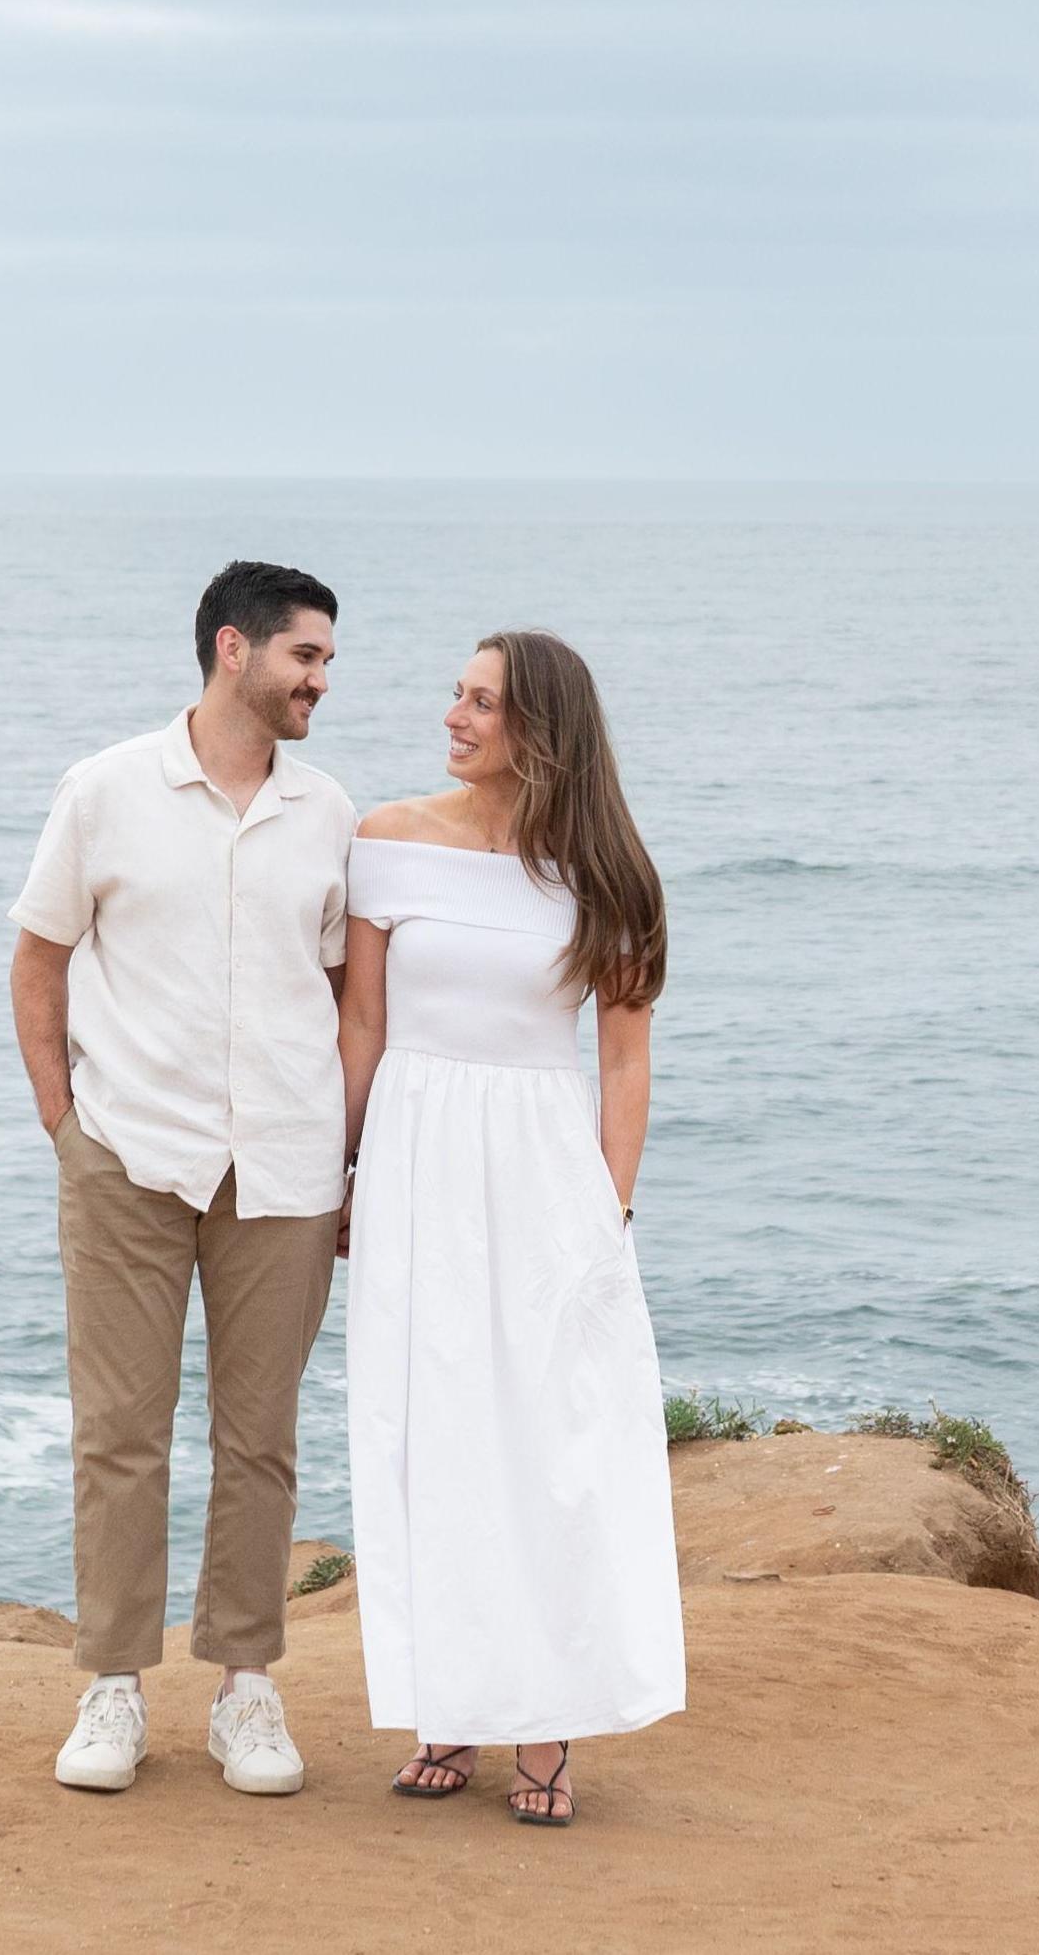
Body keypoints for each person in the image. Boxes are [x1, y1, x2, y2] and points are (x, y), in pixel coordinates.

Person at [6, 560, 355, 1799]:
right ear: (232, 649)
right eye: (306, 654)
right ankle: (112, 1683)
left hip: (286, 1166)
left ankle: (245, 1687)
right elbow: (38, 959)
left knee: (261, 1440)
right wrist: (65, 1126)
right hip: (128, 1154)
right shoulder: (103, 789)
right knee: (120, 1432)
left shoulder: (328, 810)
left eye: (326, 659)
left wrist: (349, 1153)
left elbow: (341, 992)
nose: (322, 679)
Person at [340, 627, 685, 1824]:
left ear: (541, 725)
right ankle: (449, 1705)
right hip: (415, 1162)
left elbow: (625, 1063)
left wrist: (609, 1211)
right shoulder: (387, 839)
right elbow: (362, 1028)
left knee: (549, 1441)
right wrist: (342, 1171)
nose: (455, 714)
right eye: (457, 693)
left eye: (481, 700)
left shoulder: (609, 875)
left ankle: (545, 1722)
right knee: (429, 1430)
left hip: (543, 1176)